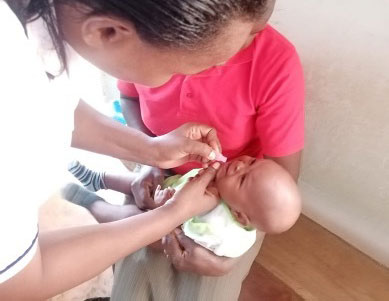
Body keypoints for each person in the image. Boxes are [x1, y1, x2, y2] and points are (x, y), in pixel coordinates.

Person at [0, 0, 273, 299]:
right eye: (178, 70)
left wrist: (152, 149)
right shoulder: (13, 131)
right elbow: (17, 284)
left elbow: (51, 105)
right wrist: (170, 216)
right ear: (107, 32)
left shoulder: (41, 34)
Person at [114, 0, 305, 299]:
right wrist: (149, 155)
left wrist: (225, 259)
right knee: (133, 271)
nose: (236, 48)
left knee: (201, 288)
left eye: (254, 32)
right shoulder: (142, 34)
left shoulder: (274, 61)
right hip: (157, 166)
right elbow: (127, 98)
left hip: (234, 198)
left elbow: (276, 186)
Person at [64, 156, 302, 258]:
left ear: (239, 215)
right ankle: (98, 178)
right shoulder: (228, 184)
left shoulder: (220, 225)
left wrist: (162, 207)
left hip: (165, 230)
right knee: (139, 183)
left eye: (242, 179)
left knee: (128, 216)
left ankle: (92, 204)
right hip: (170, 190)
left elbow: (181, 232)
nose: (240, 165)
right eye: (251, 162)